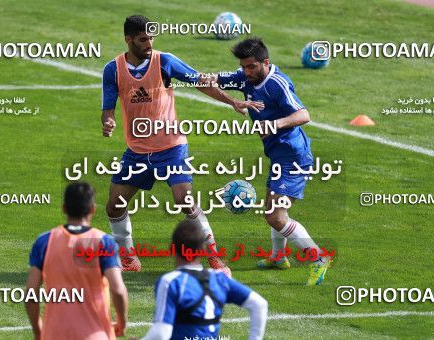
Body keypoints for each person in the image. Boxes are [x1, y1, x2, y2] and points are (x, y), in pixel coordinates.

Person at [101, 15, 263, 274]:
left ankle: (215, 260)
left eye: (152, 38)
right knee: (115, 204)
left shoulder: (164, 62)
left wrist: (232, 101)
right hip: (137, 152)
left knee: (184, 200)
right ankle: (129, 259)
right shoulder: (113, 70)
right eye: (143, 39)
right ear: (128, 39)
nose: (149, 44)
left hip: (171, 147)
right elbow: (107, 109)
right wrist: (108, 122)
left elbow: (200, 82)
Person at [216, 37, 331, 286]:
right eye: (243, 67)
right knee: (272, 208)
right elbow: (214, 79)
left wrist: (275, 124)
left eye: (251, 67)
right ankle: (278, 258)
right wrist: (179, 75)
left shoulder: (277, 83)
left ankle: (318, 258)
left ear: (265, 63)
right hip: (278, 155)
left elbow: (304, 114)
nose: (246, 72)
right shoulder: (245, 77)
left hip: (293, 157)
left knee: (275, 216)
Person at [25, 182, 128, 339]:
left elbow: (31, 292)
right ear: (92, 209)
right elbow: (118, 290)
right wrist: (122, 323)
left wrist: (38, 331)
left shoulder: (44, 241)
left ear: (64, 208)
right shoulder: (103, 242)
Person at [141, 219, 268, 340]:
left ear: (172, 248)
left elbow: (161, 333)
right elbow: (260, 304)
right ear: (202, 250)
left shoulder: (171, 282)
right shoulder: (219, 279)